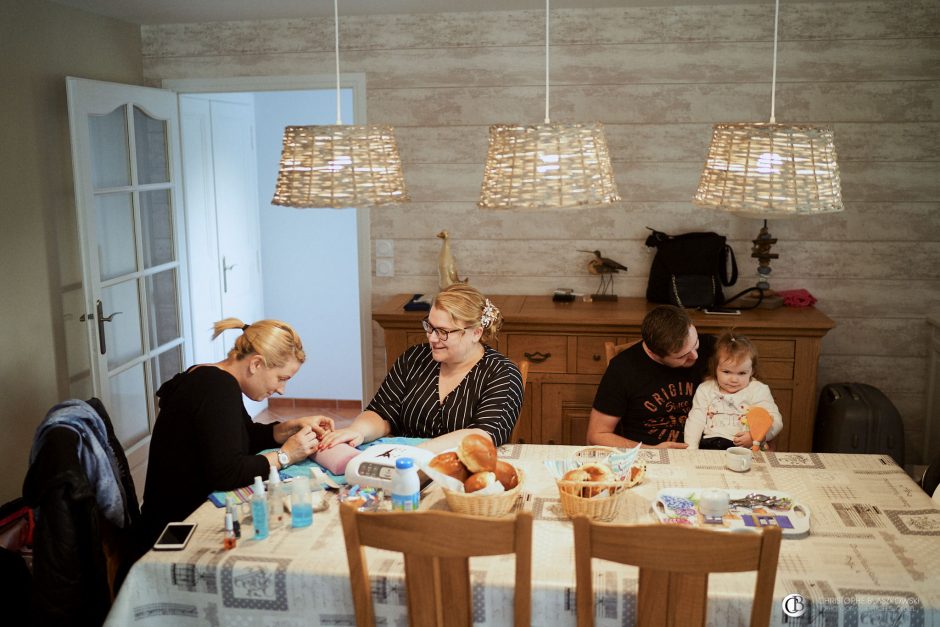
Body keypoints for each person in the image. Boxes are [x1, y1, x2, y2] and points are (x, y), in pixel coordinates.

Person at [138, 318, 333, 549]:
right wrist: (286, 456)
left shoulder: (209, 376)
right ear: (256, 364)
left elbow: (240, 436)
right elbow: (228, 472)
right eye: (281, 378)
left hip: (166, 517)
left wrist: (287, 428)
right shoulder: (217, 389)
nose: (281, 390)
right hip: (175, 529)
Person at [318, 284, 524, 453]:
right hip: (407, 467)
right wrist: (358, 431)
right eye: (430, 327)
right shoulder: (414, 358)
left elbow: (482, 436)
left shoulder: (502, 375)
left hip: (464, 475)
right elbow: (382, 413)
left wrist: (419, 453)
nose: (432, 338)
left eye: (443, 332)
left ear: (476, 333)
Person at [587, 305, 716, 448]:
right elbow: (597, 435)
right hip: (649, 454)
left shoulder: (712, 347)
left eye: (695, 344)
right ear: (654, 353)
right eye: (683, 356)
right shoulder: (623, 368)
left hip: (709, 448)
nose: (695, 356)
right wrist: (652, 450)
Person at [684, 331, 783, 450]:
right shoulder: (706, 389)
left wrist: (756, 437)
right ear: (715, 368)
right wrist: (691, 449)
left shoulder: (757, 390)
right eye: (726, 372)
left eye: (742, 373)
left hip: (745, 447)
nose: (734, 379)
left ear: (751, 371)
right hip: (710, 445)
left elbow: (774, 420)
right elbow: (696, 420)